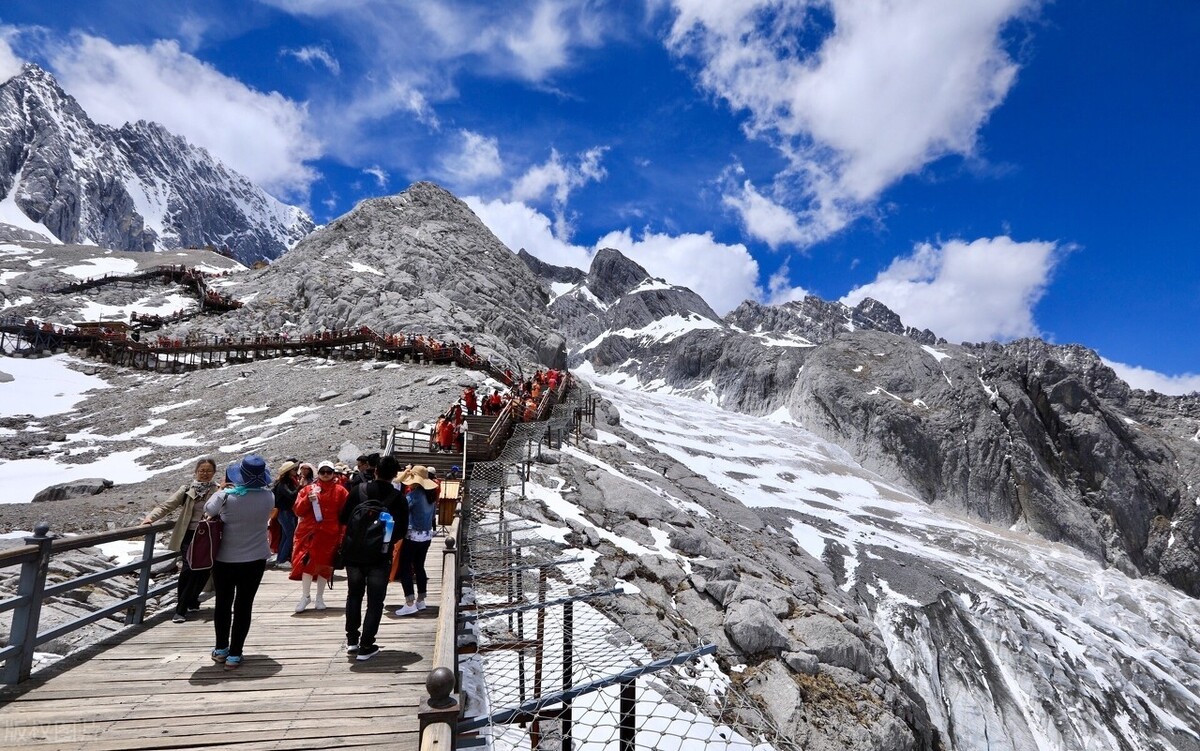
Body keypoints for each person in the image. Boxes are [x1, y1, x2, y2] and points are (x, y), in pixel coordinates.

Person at [204, 454, 274, 669]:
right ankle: (235, 654)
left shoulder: (226, 496)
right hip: (255, 559)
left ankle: (221, 649)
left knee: (223, 603)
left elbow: (208, 510)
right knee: (244, 605)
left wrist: (221, 489)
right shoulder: (268, 497)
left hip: (225, 558)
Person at [340, 456, 407, 660]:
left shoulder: (358, 491)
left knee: (354, 596)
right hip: (380, 555)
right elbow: (401, 530)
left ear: (375, 470)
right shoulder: (398, 498)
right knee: (375, 601)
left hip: (353, 553)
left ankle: (352, 640)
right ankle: (366, 645)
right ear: (395, 475)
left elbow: (343, 518)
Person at [141, 458, 220, 623]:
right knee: (189, 569)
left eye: (208, 471)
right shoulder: (186, 490)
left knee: (204, 569)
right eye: (202, 470)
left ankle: (192, 599)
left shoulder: (219, 491)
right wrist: (150, 518)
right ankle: (180, 609)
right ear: (196, 472)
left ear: (214, 473)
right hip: (189, 534)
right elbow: (166, 506)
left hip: (208, 536)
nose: (205, 474)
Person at [291, 460, 349, 612]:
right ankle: (305, 596)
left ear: (333, 473)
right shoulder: (308, 489)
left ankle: (319, 597)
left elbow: (345, 515)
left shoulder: (341, 491)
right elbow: (297, 510)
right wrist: (306, 500)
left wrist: (342, 535)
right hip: (310, 533)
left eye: (328, 472)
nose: (325, 475)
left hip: (331, 534)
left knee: (326, 566)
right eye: (322, 472)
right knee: (306, 564)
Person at [394, 465, 438, 616]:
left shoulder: (413, 495)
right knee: (420, 567)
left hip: (412, 535)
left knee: (406, 568)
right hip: (426, 536)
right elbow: (432, 518)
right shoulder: (430, 496)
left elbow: (402, 509)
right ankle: (421, 600)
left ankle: (409, 602)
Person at [272, 460, 301, 569]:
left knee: (285, 536)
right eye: (294, 469)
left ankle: (280, 559)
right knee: (290, 535)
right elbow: (291, 495)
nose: (296, 471)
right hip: (285, 512)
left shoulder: (286, 482)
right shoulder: (283, 484)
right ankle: (282, 559)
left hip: (286, 512)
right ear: (289, 471)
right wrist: (299, 487)